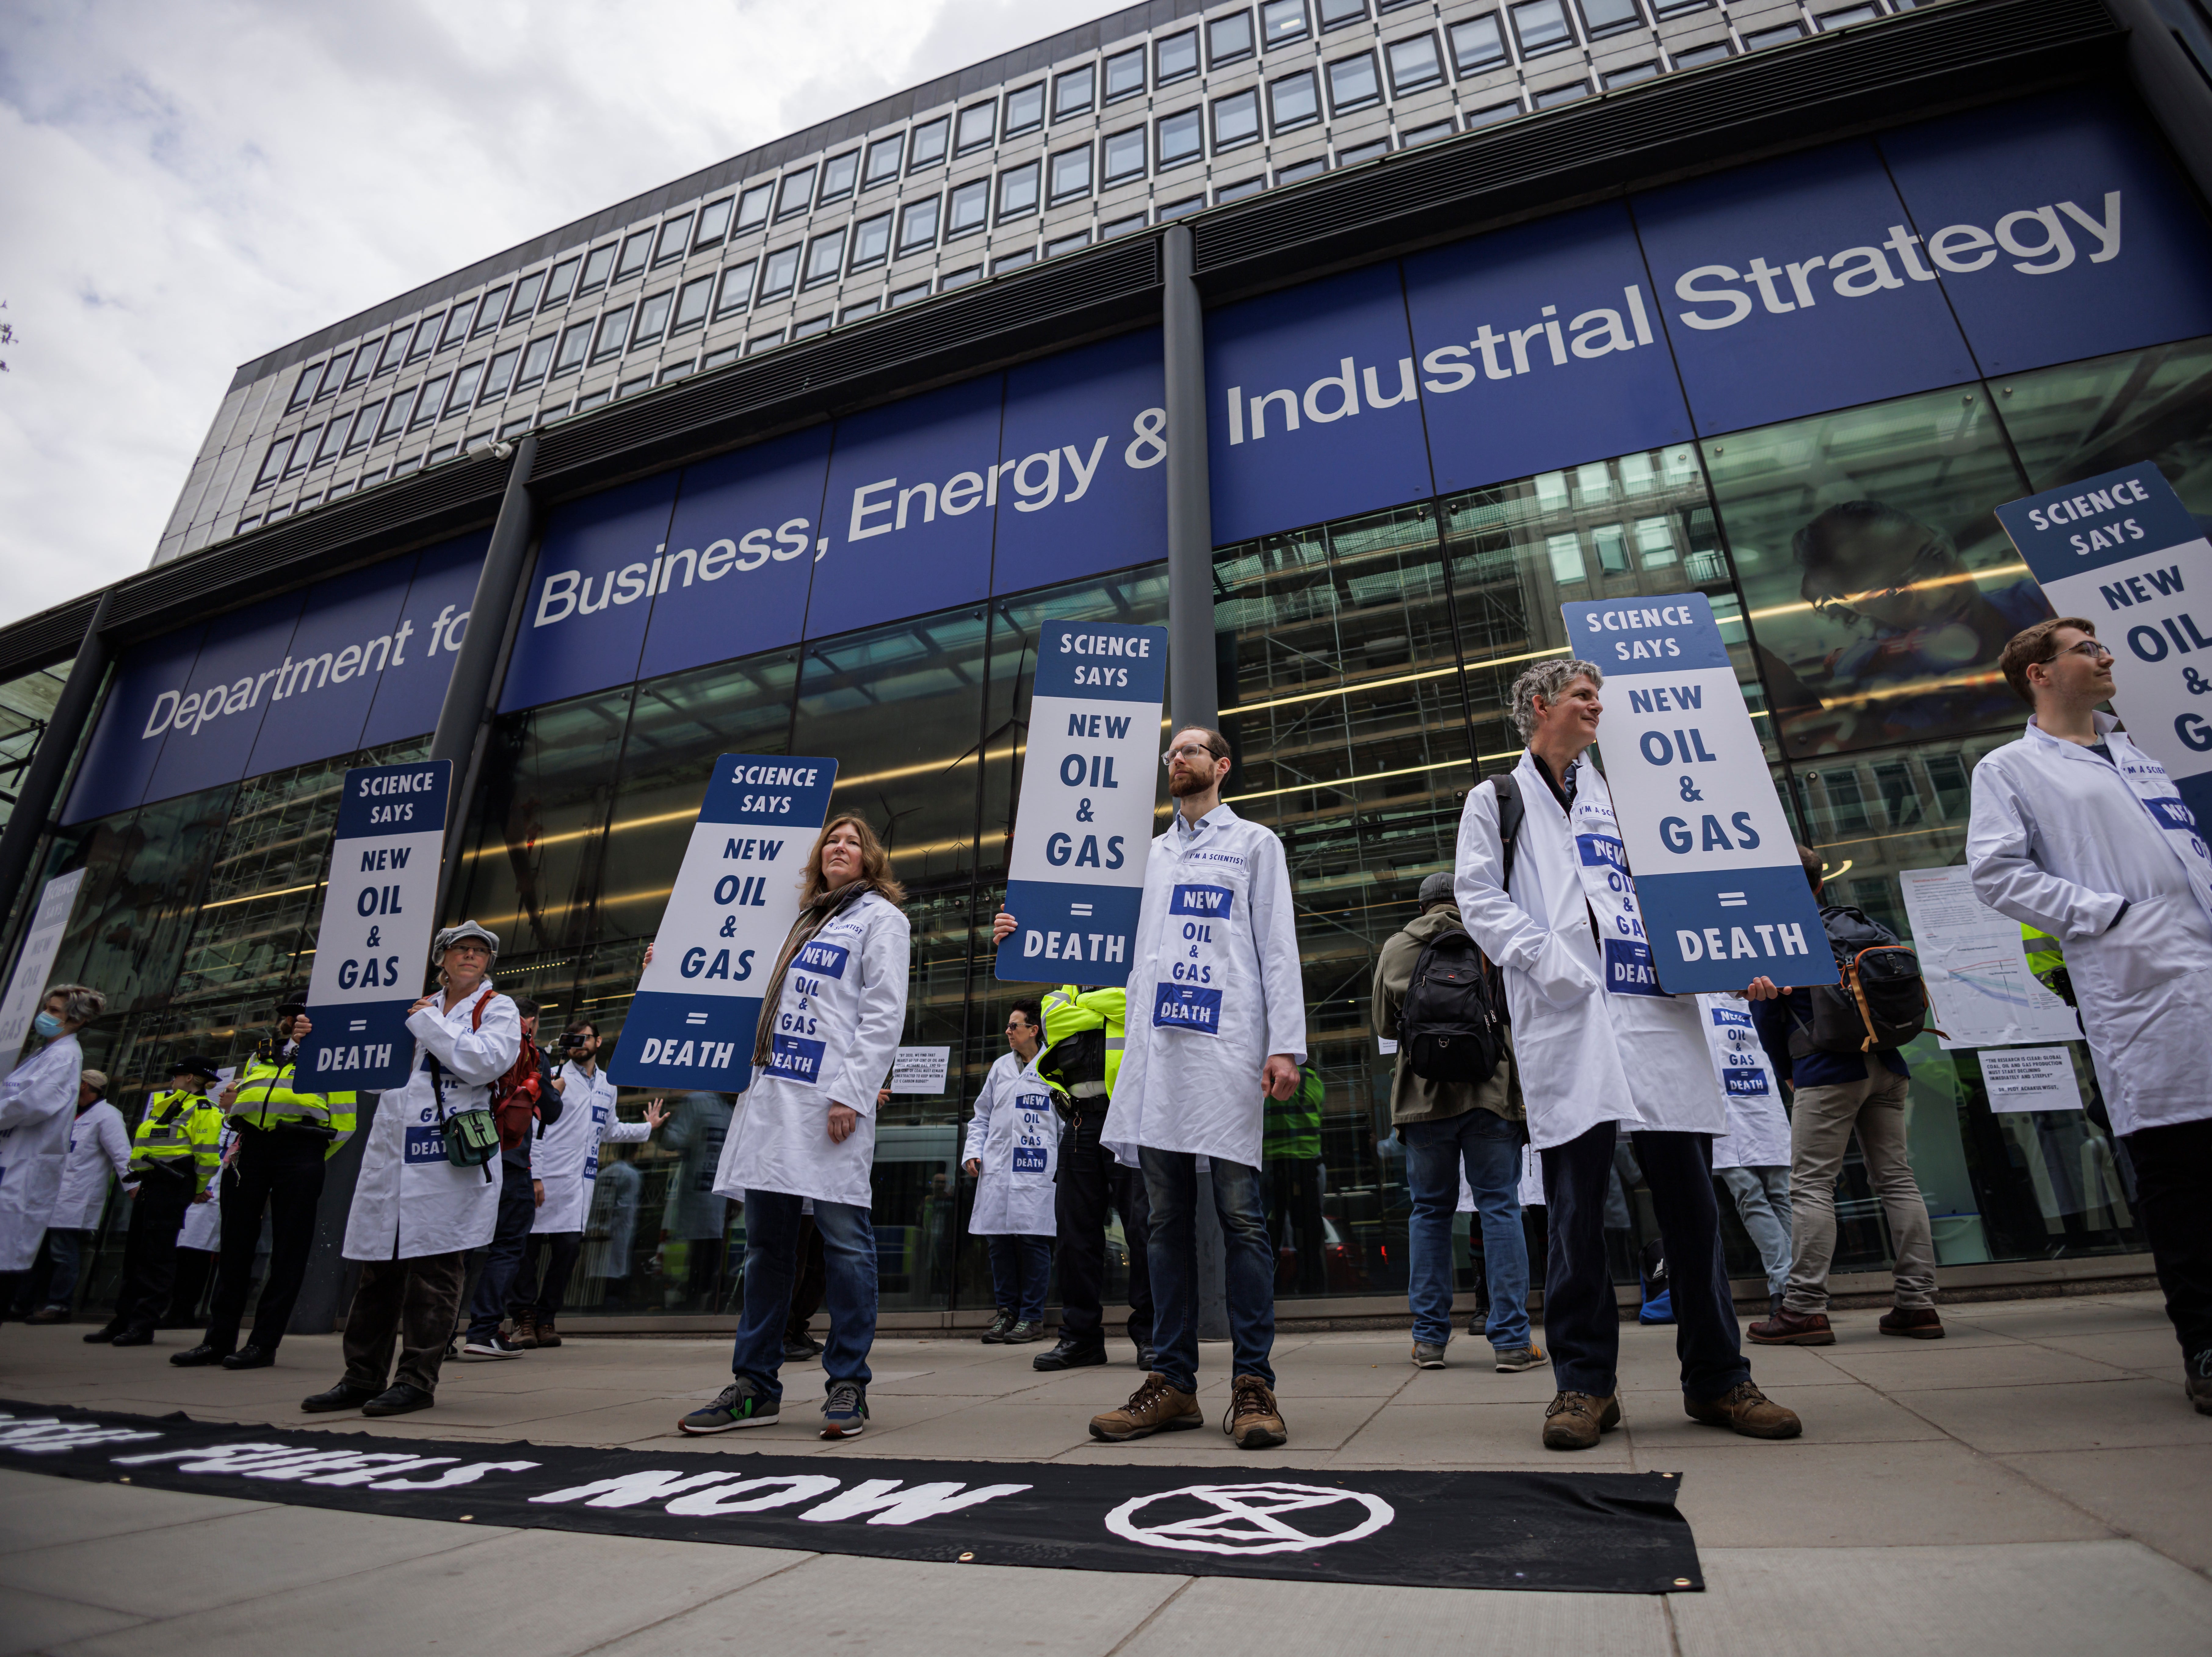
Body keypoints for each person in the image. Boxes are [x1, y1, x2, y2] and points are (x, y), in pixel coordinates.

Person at [1455, 660, 1801, 1450]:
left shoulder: (1630, 794)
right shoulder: (1496, 800)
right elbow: (1477, 899)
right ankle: (1582, 1387)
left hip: (1655, 1014)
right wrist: (1554, 963)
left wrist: (1728, 955)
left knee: (1690, 1205)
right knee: (1575, 1213)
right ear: (1539, 705)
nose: (1595, 708)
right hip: (1567, 1019)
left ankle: (1718, 1379)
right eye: (1582, 697)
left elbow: (1685, 891)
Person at [1967, 618, 2212, 1414]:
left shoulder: (2139, 757)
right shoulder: (2009, 769)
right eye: (2084, 648)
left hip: (2199, 971)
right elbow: (1995, 873)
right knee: (2179, 1178)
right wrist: (2105, 916)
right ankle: (2204, 1344)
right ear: (2037, 673)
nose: (2104, 656)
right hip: (2138, 992)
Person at [1089, 725, 1305, 1451]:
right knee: (1162, 1223)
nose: (1176, 760)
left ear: (1221, 766)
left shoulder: (1252, 844)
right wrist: (1027, 931)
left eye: (1190, 751)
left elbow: (1277, 945)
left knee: (1241, 1218)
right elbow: (1096, 932)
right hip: (1158, 1064)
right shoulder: (1149, 855)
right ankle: (1173, 1382)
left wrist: (1284, 1044)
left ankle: (1253, 1384)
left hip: (1223, 1055)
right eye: (1170, 753)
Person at [678, 815, 909, 1439]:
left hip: (828, 1101)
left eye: (851, 841)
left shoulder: (879, 920)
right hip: (773, 1099)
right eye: (831, 840)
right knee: (765, 1249)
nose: (839, 846)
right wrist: (670, 964)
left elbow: (884, 1012)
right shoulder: (799, 922)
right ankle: (754, 1385)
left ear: (869, 859)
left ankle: (847, 1383)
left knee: (846, 1244)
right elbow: (731, 973)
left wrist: (851, 1094)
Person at [303, 921, 522, 1418]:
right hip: (393, 1153)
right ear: (441, 958)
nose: (470, 956)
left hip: (447, 1159)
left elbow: (483, 1062)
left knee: (435, 1270)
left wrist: (427, 1023)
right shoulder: (410, 1006)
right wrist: (313, 1042)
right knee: (377, 1272)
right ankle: (361, 1376)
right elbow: (372, 1072)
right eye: (460, 949)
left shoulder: (497, 1008)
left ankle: (416, 1380)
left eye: (479, 951)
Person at [1746, 846, 1937, 1344]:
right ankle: (1917, 1304)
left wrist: (1785, 1069)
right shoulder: (1861, 926)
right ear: (1819, 883)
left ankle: (1804, 1307)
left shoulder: (1784, 934)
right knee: (1897, 1180)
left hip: (1827, 1067)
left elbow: (1769, 1016)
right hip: (1888, 1064)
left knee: (1810, 1186)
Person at [1374, 871, 1541, 1372]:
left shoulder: (1397, 947)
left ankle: (1428, 1340)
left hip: (1423, 1100)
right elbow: (1517, 1012)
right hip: (1489, 1095)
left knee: (1429, 1212)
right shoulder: (1491, 939)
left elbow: (1385, 1026)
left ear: (1421, 905)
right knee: (1499, 1208)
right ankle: (1512, 1340)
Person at [172, 1002, 359, 1371]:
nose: (292, 1021)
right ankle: (218, 1339)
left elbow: (345, 1123)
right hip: (252, 1149)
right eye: (290, 1016)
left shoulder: (332, 1059)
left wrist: (310, 1154)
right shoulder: (261, 1056)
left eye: (300, 1015)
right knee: (235, 1246)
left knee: (288, 1251)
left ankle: (263, 1343)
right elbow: (240, 1101)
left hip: (300, 1149)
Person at [510, 1022, 664, 1347]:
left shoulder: (609, 1084)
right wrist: (534, 1174)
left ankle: (546, 1318)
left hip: (579, 1183)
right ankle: (523, 1318)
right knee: (529, 1251)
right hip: (546, 1175)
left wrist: (646, 1128)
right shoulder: (553, 1078)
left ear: (599, 1041)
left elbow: (609, 1130)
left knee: (567, 1251)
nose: (578, 1045)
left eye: (585, 1038)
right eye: (572, 1040)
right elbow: (535, 1128)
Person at [458, 995, 563, 1359]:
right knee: (506, 1247)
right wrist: (553, 1092)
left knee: (461, 1246)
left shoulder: (468, 1038)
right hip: (511, 1159)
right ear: (530, 1021)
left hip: (468, 1156)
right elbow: (551, 1109)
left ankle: (437, 1334)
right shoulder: (530, 1051)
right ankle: (484, 1330)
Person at [101, 1058, 224, 1346]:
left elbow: (207, 1156)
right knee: (136, 1255)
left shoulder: (204, 1109)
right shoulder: (169, 1104)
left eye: (178, 1076)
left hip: (173, 1183)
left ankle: (142, 1325)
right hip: (152, 1182)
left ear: (191, 1078)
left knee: (157, 1258)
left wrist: (198, 1187)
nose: (173, 1080)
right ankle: (123, 1321)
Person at [0, 987, 104, 1325]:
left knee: (7, 1256)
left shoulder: (65, 1057)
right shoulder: (47, 1053)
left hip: (23, 1170)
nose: (45, 1016)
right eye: (47, 1008)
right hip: (13, 1161)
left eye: (55, 1011)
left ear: (77, 1020)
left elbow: (33, 1103)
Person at [964, 1000, 1059, 1344]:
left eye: (1014, 1026)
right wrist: (973, 1151)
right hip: (998, 1167)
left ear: (1033, 1030)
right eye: (1008, 1026)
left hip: (1037, 1170)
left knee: (1033, 1241)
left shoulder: (1054, 1064)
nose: (1008, 1031)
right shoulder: (1001, 1067)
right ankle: (1007, 1312)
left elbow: (1062, 1122)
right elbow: (982, 1116)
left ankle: (1032, 1317)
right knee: (999, 1242)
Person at [1701, 998, 1794, 1318]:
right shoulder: (1689, 992)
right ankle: (1789, 1284)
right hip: (1720, 1110)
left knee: (1781, 1195)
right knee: (1749, 1196)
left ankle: (1799, 1286)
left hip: (1761, 1103)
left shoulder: (1751, 990)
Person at [21, 1071, 125, 1323]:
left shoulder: (107, 1115)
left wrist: (133, 1186)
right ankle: (23, 1304)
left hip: (74, 1196)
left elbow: (122, 1153)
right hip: (47, 1195)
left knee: (62, 1253)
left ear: (85, 1085)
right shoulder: (68, 1113)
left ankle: (59, 1306)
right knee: (35, 1252)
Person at [1264, 1062, 1328, 1297]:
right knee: (1309, 1232)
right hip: (1305, 1163)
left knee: (1269, 1233)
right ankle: (1313, 1287)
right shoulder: (1314, 1082)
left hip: (1270, 1163)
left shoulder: (1266, 1079)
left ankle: (1271, 1289)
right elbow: (1318, 1117)